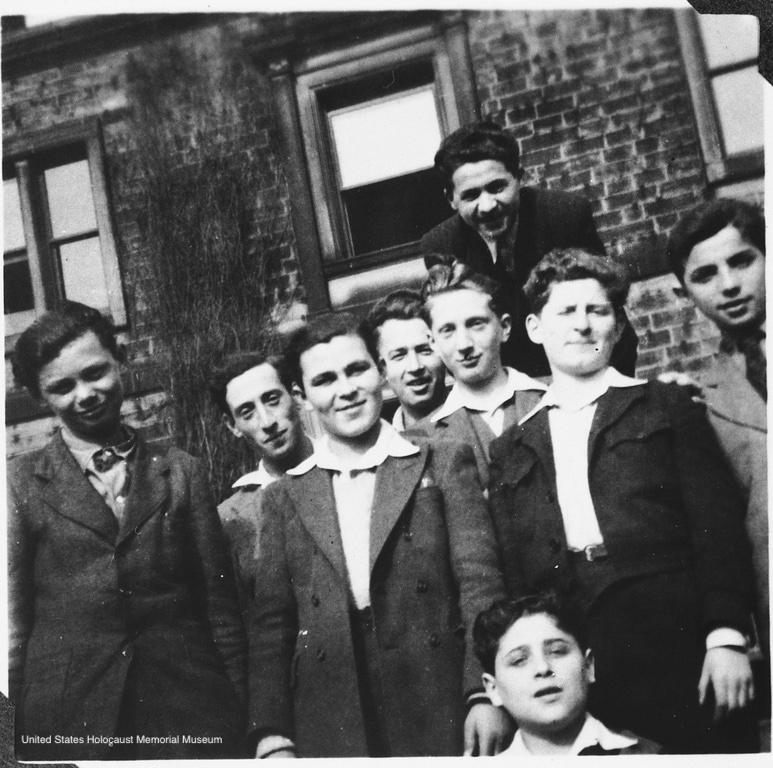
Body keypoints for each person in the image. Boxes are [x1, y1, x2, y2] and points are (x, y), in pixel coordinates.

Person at [488, 249, 758, 753]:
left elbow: (715, 526)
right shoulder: (512, 445)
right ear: (534, 328)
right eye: (566, 312)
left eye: (598, 311)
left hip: (675, 630)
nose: (584, 326)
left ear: (616, 325)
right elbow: (513, 569)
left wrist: (725, 635)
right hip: (576, 644)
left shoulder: (666, 405)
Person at [247, 313, 509, 757]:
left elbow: (480, 584)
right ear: (303, 396)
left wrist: (484, 693)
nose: (346, 390)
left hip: (437, 688)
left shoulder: (440, 460)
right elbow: (272, 627)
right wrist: (271, 734)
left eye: (357, 369)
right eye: (325, 379)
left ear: (380, 372)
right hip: (334, 707)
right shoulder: (283, 498)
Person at [8, 302, 246, 761]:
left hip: (189, 712)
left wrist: (240, 716)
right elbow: (12, 629)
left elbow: (221, 612)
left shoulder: (181, 473)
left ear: (119, 360)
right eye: (62, 387)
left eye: (95, 372)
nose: (86, 394)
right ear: (40, 398)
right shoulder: (17, 486)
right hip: (71, 719)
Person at [421, 120, 638, 377]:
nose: (487, 205)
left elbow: (602, 308)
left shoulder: (564, 216)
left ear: (519, 179)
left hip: (586, 365)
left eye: (497, 187)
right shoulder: (441, 246)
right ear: (451, 199)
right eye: (471, 195)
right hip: (508, 382)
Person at [667, 199, 768, 665]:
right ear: (684, 292)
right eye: (704, 275)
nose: (729, 285)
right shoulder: (698, 399)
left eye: (742, 261)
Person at [474, 593, 661, 756]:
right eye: (519, 660)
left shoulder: (654, 758)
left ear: (588, 667)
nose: (542, 668)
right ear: (493, 689)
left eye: (557, 651)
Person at [418, 262, 546, 488]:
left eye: (476, 324)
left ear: (504, 327)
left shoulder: (552, 396)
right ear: (432, 343)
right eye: (447, 330)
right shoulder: (424, 437)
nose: (464, 344)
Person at [209, 351, 313, 604]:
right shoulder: (230, 520)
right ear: (232, 425)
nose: (267, 421)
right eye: (247, 412)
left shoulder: (350, 470)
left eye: (272, 400)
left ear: (296, 396)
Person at [363, 289, 447, 430]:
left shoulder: (481, 423)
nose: (415, 367)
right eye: (399, 356)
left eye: (425, 350)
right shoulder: (384, 446)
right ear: (382, 369)